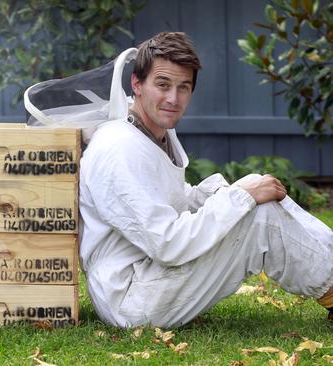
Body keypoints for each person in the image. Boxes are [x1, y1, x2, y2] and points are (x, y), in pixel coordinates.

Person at [79, 32, 333, 328]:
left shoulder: (153, 132)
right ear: (137, 83)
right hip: (132, 297)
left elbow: (171, 200)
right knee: (261, 219)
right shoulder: (119, 147)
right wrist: (241, 198)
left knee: (254, 187)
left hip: (151, 274)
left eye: (183, 87)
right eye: (162, 85)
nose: (173, 98)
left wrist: (238, 191)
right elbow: (167, 243)